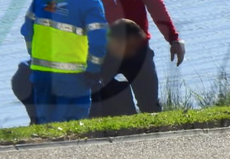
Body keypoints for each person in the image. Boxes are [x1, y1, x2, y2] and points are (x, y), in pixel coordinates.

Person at [92, 0, 184, 113]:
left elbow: (156, 5)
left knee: (151, 106)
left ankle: (160, 140)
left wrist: (173, 38)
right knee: (122, 110)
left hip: (139, 49)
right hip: (108, 54)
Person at [20, 0, 108, 124]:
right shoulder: (90, 1)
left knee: (46, 127)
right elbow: (99, 42)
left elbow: (27, 31)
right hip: (73, 77)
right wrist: (93, 70)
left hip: (41, 73)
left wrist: (34, 56)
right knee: (72, 129)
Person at [12, 19, 148, 123]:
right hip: (28, 81)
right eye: (131, 46)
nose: (131, 52)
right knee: (47, 125)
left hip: (32, 80)